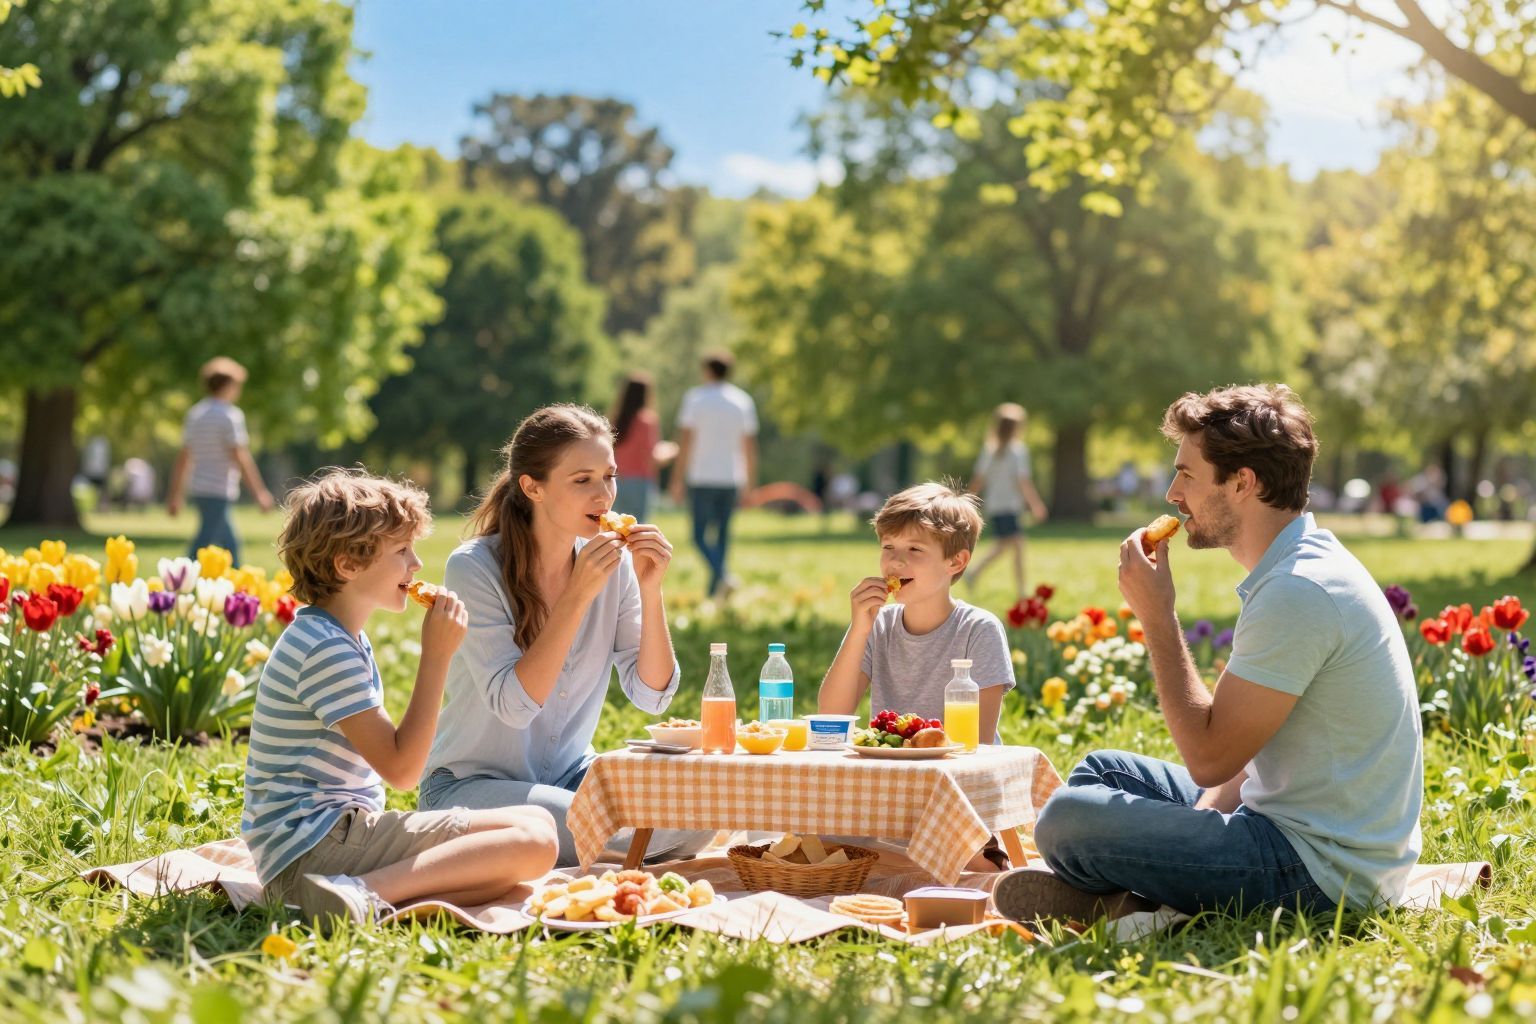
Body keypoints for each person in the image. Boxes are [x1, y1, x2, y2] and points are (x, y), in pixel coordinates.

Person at [995, 384, 1422, 923]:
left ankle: (1145, 900)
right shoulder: (1299, 566)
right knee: (1101, 772)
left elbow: (1210, 757)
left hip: (1320, 874)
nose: (1173, 494)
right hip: (1293, 823)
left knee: (1067, 821)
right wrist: (1202, 819)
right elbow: (1243, 756)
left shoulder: (1298, 590)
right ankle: (1143, 899)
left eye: (1187, 474)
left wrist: (1157, 616)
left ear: (1242, 482)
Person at [242, 469, 558, 931]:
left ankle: (363, 895)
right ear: (348, 564)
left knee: (536, 825)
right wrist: (437, 656)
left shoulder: (338, 636)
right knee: (533, 844)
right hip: (311, 851)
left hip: (327, 842)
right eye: (401, 551)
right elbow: (404, 770)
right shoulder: (323, 648)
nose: (416, 566)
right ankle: (360, 894)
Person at [420, 405, 707, 865]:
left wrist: (651, 590)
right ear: (532, 487)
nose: (605, 496)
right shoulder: (474, 567)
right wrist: (577, 595)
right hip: (470, 787)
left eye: (609, 476)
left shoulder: (612, 566)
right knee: (586, 825)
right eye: (582, 481)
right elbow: (514, 706)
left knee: (698, 810)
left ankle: (606, 854)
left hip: (571, 777)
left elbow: (652, 695)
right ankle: (610, 854)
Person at [818, 482, 1015, 741]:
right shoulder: (878, 625)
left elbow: (978, 742)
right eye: (888, 547)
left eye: (915, 549)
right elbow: (831, 716)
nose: (896, 561)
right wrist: (859, 629)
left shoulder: (978, 630)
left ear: (956, 561)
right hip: (893, 774)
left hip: (958, 773)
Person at [166, 356, 275, 564]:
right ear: (228, 386)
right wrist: (259, 492)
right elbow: (240, 456)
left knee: (228, 543)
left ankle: (235, 588)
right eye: (237, 386)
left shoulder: (195, 414)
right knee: (205, 544)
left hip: (199, 489)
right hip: (219, 489)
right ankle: (178, 579)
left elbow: (184, 457)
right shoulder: (230, 416)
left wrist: (175, 495)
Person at [668, 351, 758, 599]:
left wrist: (676, 479)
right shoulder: (742, 402)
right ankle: (719, 584)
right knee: (722, 536)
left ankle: (722, 579)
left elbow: (685, 442)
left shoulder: (695, 399)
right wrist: (750, 483)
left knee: (698, 536)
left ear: (708, 371)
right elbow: (749, 447)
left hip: (701, 477)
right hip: (731, 477)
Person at [965, 403, 1048, 600]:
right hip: (1009, 506)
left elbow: (978, 479)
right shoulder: (1017, 451)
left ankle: (975, 573)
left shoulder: (990, 450)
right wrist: (1036, 504)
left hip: (996, 506)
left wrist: (967, 500)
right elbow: (1023, 482)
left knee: (1005, 546)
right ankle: (1021, 591)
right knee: (1016, 546)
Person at [610, 372, 663, 523]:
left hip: (616, 480)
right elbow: (651, 456)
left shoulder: (616, 419)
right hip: (639, 481)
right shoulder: (647, 420)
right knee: (638, 529)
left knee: (617, 526)